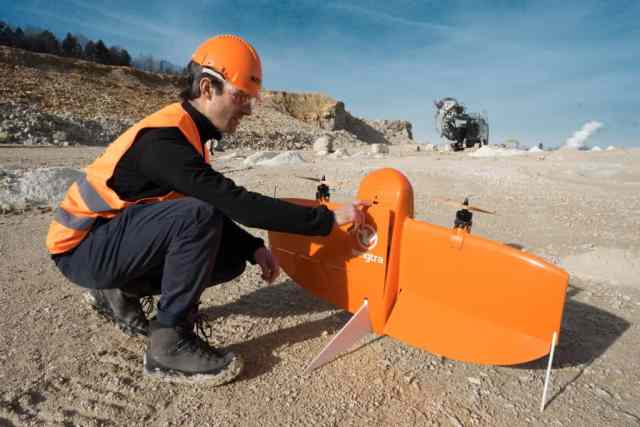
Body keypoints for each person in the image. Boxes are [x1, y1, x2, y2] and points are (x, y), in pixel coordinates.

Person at [47, 34, 368, 386]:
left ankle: (119, 290)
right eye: (240, 97)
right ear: (206, 88)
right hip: (82, 248)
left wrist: (252, 247)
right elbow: (233, 203)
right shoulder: (164, 141)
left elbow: (205, 206)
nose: (248, 110)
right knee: (197, 217)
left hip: (110, 240)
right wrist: (326, 219)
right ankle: (168, 342)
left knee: (228, 258)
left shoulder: (189, 135)